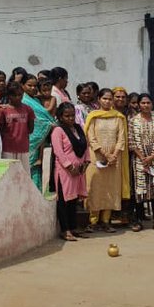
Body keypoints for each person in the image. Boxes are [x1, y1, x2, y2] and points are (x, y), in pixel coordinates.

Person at [85, 88, 128, 233]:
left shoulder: (119, 117)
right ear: (98, 99)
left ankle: (106, 221)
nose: (107, 101)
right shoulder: (93, 116)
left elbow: (121, 139)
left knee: (111, 189)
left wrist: (113, 155)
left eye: (110, 99)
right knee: (95, 187)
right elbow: (91, 137)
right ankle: (93, 221)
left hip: (114, 160)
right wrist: (104, 154)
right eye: (104, 98)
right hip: (96, 157)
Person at [128, 94, 154, 232]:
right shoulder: (133, 121)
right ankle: (139, 221)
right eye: (143, 103)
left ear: (152, 104)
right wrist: (143, 158)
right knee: (139, 191)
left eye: (148, 102)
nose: (145, 105)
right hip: (139, 161)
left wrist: (152, 156)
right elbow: (131, 142)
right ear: (139, 104)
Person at [51, 102, 89, 242]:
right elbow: (58, 151)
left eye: (72, 115)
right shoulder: (58, 131)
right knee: (64, 200)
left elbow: (86, 146)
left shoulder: (78, 128)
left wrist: (86, 162)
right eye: (67, 116)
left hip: (79, 170)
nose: (70, 118)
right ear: (60, 117)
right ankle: (65, 230)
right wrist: (69, 166)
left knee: (73, 200)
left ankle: (73, 227)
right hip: (65, 172)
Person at [23, 77, 59, 190]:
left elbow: (43, 116)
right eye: (29, 85)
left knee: (38, 169)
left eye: (34, 86)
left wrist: (47, 123)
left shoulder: (37, 100)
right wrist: (48, 124)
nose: (32, 88)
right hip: (30, 138)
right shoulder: (24, 100)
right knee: (27, 167)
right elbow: (38, 120)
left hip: (42, 138)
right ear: (23, 85)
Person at [0, 81, 34, 167]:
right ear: (8, 95)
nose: (17, 97)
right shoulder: (3, 110)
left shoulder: (28, 109)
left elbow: (31, 129)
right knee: (8, 173)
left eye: (20, 95)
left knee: (23, 175)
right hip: (8, 148)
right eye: (14, 95)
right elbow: (0, 128)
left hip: (23, 148)